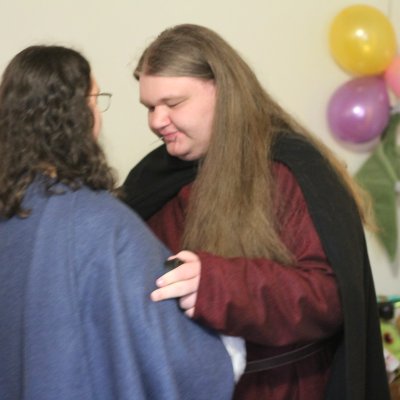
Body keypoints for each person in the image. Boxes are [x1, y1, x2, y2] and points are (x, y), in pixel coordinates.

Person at [122, 24, 390, 399]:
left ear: (223, 91)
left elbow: (328, 297)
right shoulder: (152, 177)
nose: (156, 121)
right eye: (150, 107)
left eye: (173, 103)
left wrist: (218, 285)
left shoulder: (290, 169)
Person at [0, 45, 236, 400]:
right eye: (95, 99)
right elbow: (176, 356)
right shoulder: (104, 224)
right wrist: (228, 350)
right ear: (76, 113)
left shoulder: (10, 214)